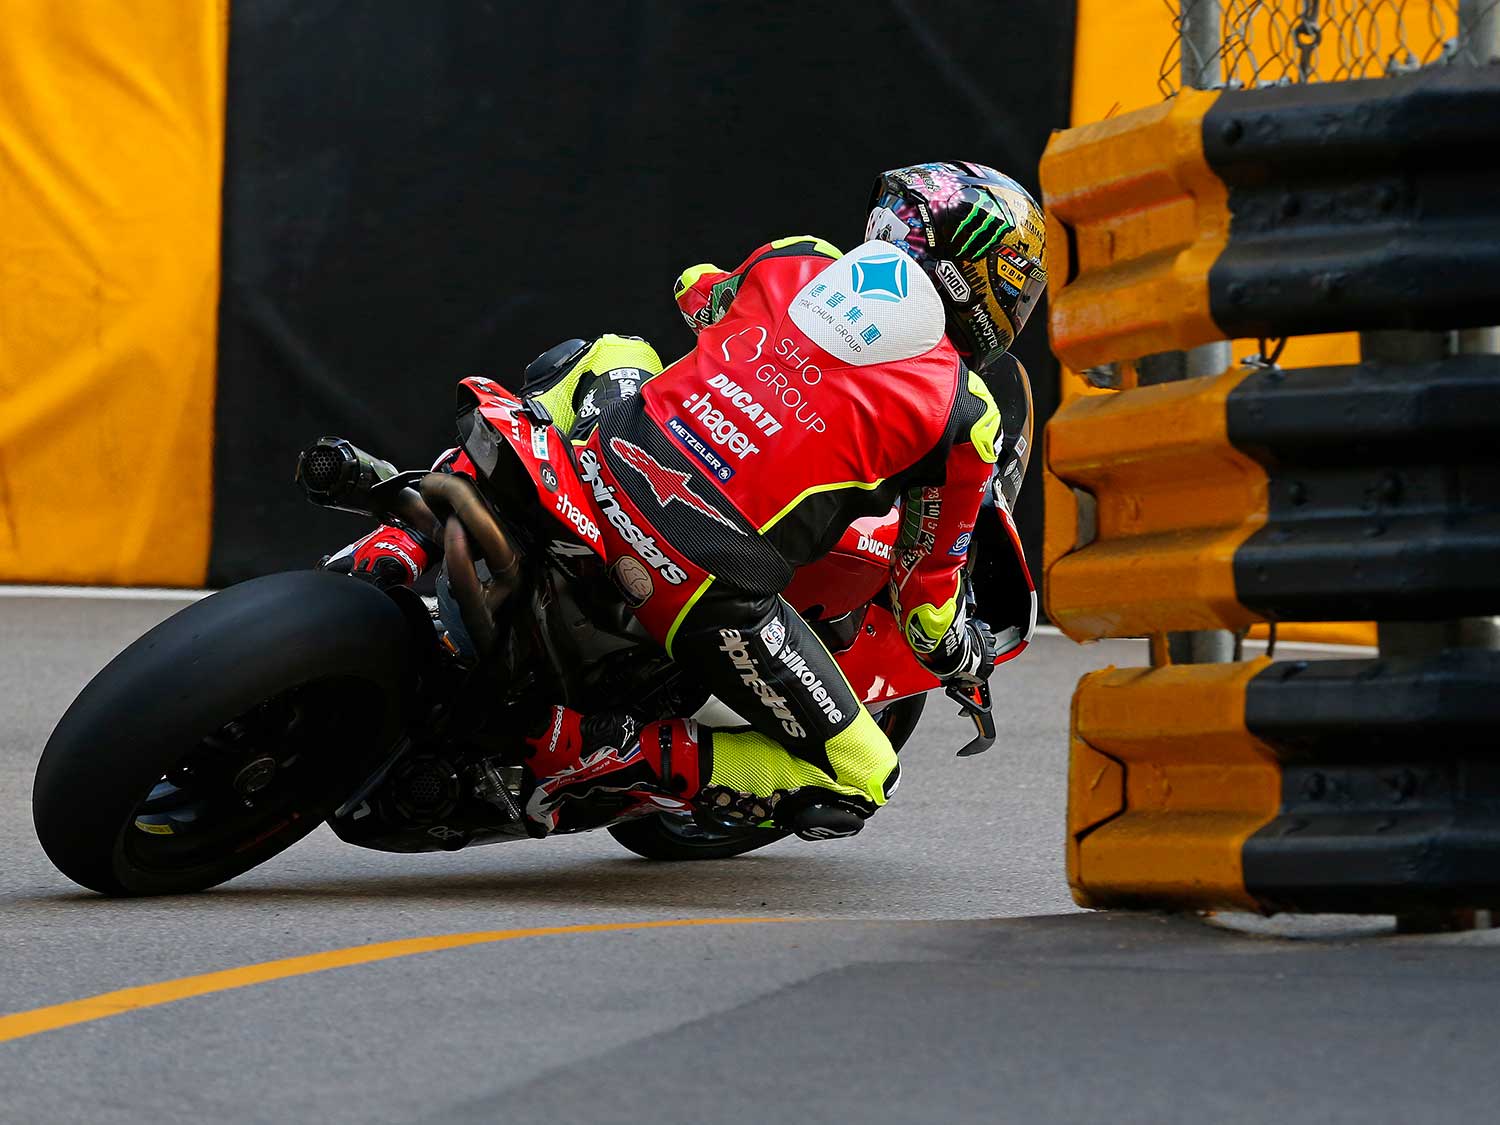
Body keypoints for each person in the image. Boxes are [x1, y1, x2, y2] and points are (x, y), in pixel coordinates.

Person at [329, 161, 1047, 840]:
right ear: (975, 277)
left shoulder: (795, 258)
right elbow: (926, 609)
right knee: (864, 774)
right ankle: (601, 750)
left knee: (617, 352)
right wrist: (966, 655)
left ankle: (396, 541)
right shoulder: (966, 412)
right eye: (1016, 285)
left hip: (596, 474)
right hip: (700, 583)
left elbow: (695, 289)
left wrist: (764, 353)